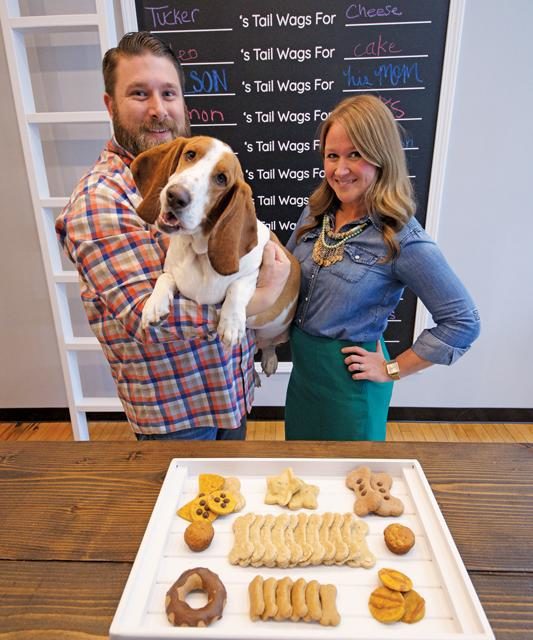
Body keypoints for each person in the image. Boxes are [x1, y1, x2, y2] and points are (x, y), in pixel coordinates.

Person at [56, 32, 290, 440]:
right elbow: (149, 318)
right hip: (176, 416)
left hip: (229, 393)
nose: (157, 110)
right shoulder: (99, 201)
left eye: (169, 93)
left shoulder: (183, 169)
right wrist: (262, 301)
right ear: (110, 104)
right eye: (139, 94)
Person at [284, 94, 480, 441]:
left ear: (382, 157)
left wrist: (391, 369)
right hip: (303, 379)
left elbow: (463, 322)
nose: (340, 170)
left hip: (351, 388)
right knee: (305, 477)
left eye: (355, 154)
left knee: (350, 485)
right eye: (332, 156)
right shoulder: (315, 214)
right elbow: (283, 281)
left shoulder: (403, 238)